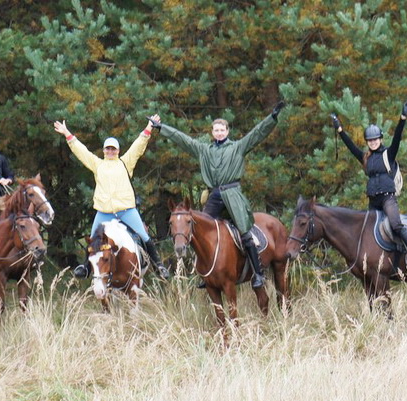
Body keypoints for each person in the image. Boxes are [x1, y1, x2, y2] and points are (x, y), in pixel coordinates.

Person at [152, 101, 285, 289]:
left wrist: (272, 118)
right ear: (212, 133)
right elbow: (183, 139)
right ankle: (206, 274)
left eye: (222, 130)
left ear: (227, 131)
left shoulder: (237, 147)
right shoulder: (204, 150)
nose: (219, 133)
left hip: (233, 195)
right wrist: (161, 128)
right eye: (216, 130)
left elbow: (256, 134)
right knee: (200, 230)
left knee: (245, 232)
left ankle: (258, 274)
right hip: (214, 196)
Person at [53, 117, 169, 280]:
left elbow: (138, 146)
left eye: (113, 149)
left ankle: (159, 266)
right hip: (104, 213)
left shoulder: (125, 163)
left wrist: (149, 128)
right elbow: (82, 152)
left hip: (126, 211)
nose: (110, 151)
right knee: (93, 240)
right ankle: (86, 268)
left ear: (118, 151)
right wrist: (67, 134)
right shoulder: (98, 164)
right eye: (108, 149)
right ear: (104, 150)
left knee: (144, 236)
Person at [331, 101, 407, 263]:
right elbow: (350, 146)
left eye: (375, 139)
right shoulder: (365, 158)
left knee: (395, 224)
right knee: (367, 230)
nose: (373, 142)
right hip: (373, 201)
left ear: (380, 139)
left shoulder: (388, 154)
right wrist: (339, 129)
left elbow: (398, 136)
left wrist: (403, 118)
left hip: (387, 198)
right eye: (370, 140)